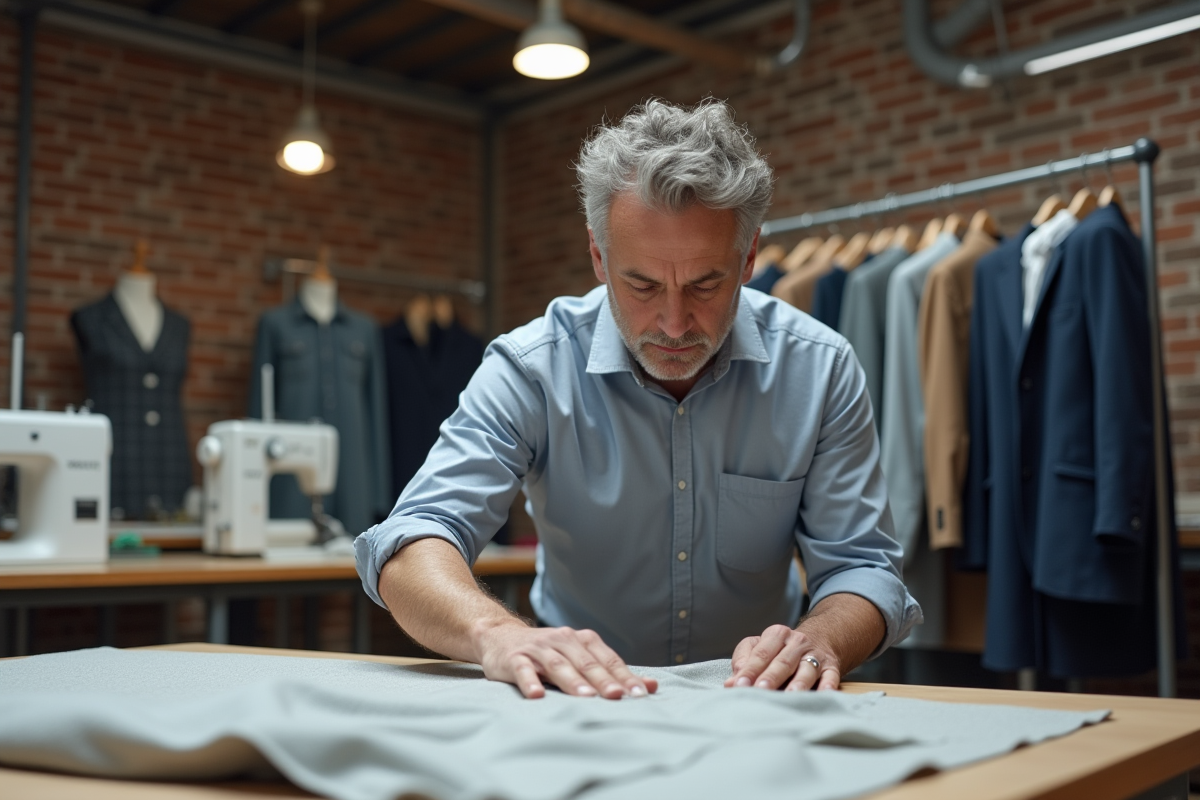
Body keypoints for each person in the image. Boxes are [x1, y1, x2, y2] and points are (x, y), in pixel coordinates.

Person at [355, 99, 920, 700]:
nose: (674, 324)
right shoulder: (531, 368)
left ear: (749, 256)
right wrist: (497, 634)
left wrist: (824, 637)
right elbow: (412, 539)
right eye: (642, 285)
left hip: (756, 701)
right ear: (599, 257)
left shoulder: (821, 368)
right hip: (572, 699)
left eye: (706, 284)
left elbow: (864, 568)